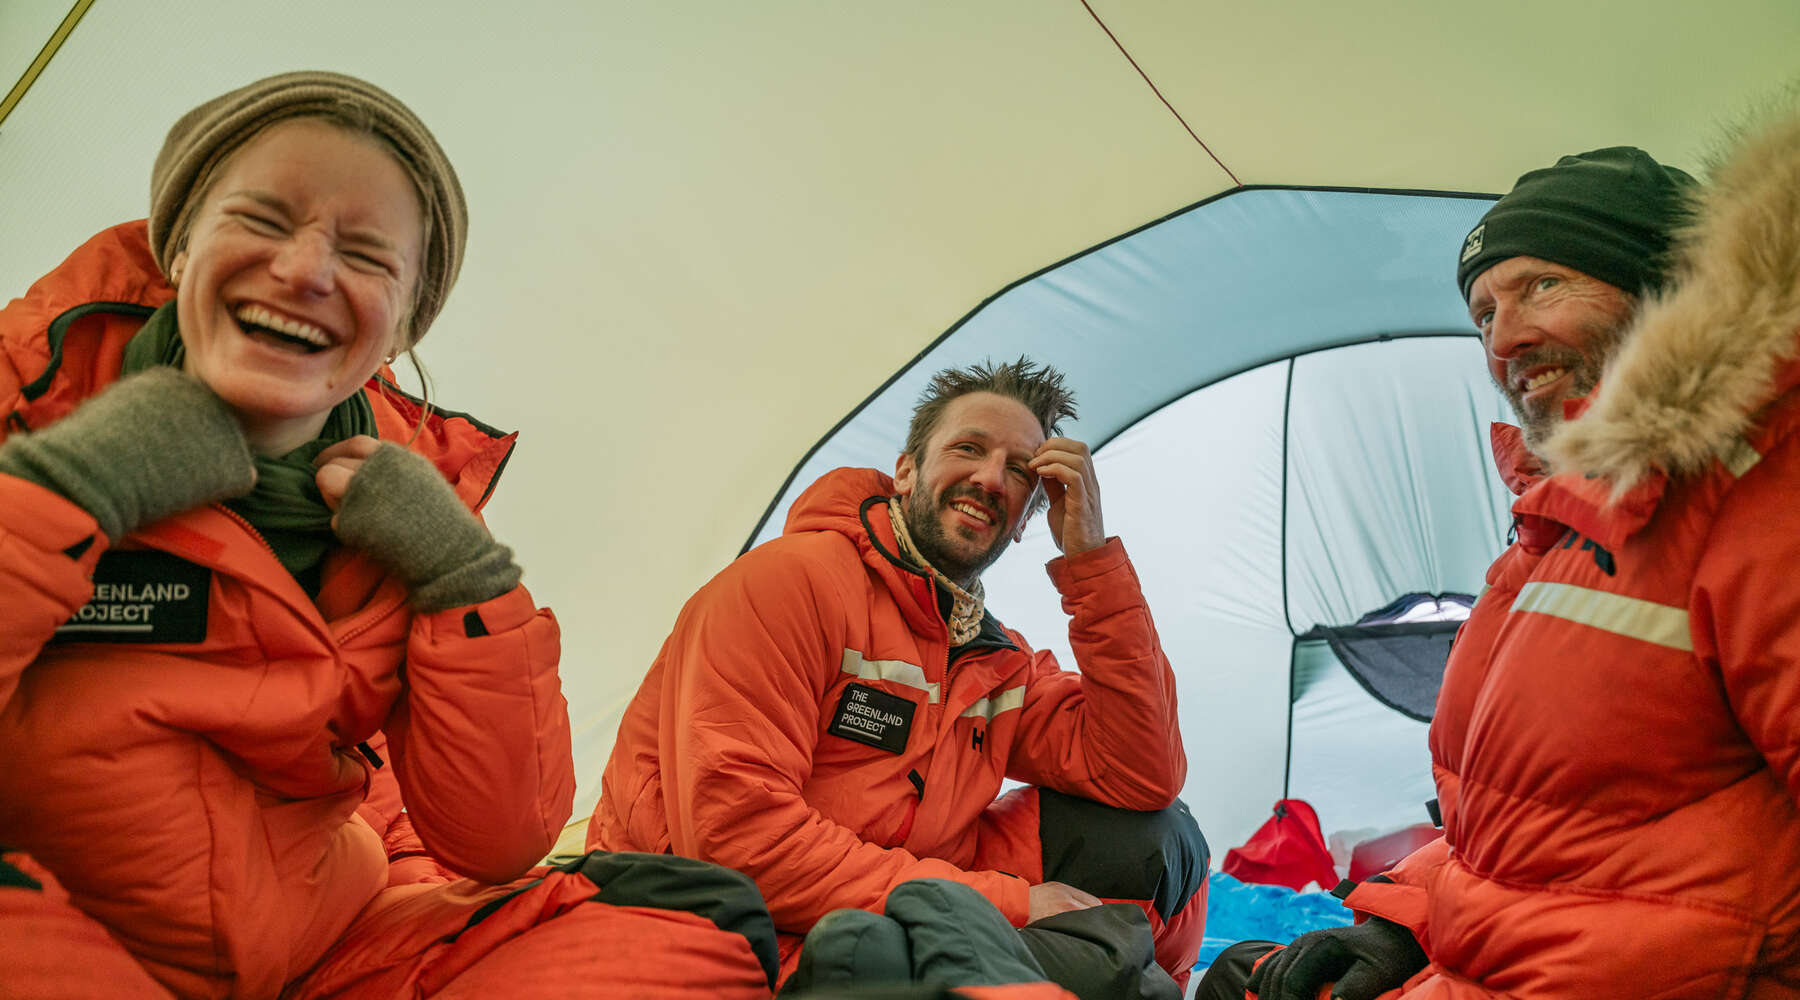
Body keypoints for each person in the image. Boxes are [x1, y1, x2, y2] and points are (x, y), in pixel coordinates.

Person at [0, 72, 776, 1000]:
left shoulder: (402, 495)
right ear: (181, 240)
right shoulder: (28, 388)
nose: (307, 270)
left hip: (323, 936)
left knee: (681, 940)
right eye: (262, 218)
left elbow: (499, 839)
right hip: (61, 920)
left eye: (368, 257)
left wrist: (464, 571)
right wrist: (67, 489)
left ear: (404, 323)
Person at [1199, 113, 1800, 998]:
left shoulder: (1757, 496)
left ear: (1669, 288)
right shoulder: (1559, 534)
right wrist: (1399, 921)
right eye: (1484, 310)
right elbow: (1535, 832)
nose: (1502, 339)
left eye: (1544, 284)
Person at [592, 358, 1210, 994]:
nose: (990, 478)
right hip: (723, 926)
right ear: (906, 471)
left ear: (1029, 516)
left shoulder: (991, 656)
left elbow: (1142, 773)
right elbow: (738, 842)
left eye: (1019, 470)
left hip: (898, 900)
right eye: (969, 447)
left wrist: (1090, 559)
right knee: (1093, 979)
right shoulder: (786, 587)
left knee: (1159, 840)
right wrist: (1009, 904)